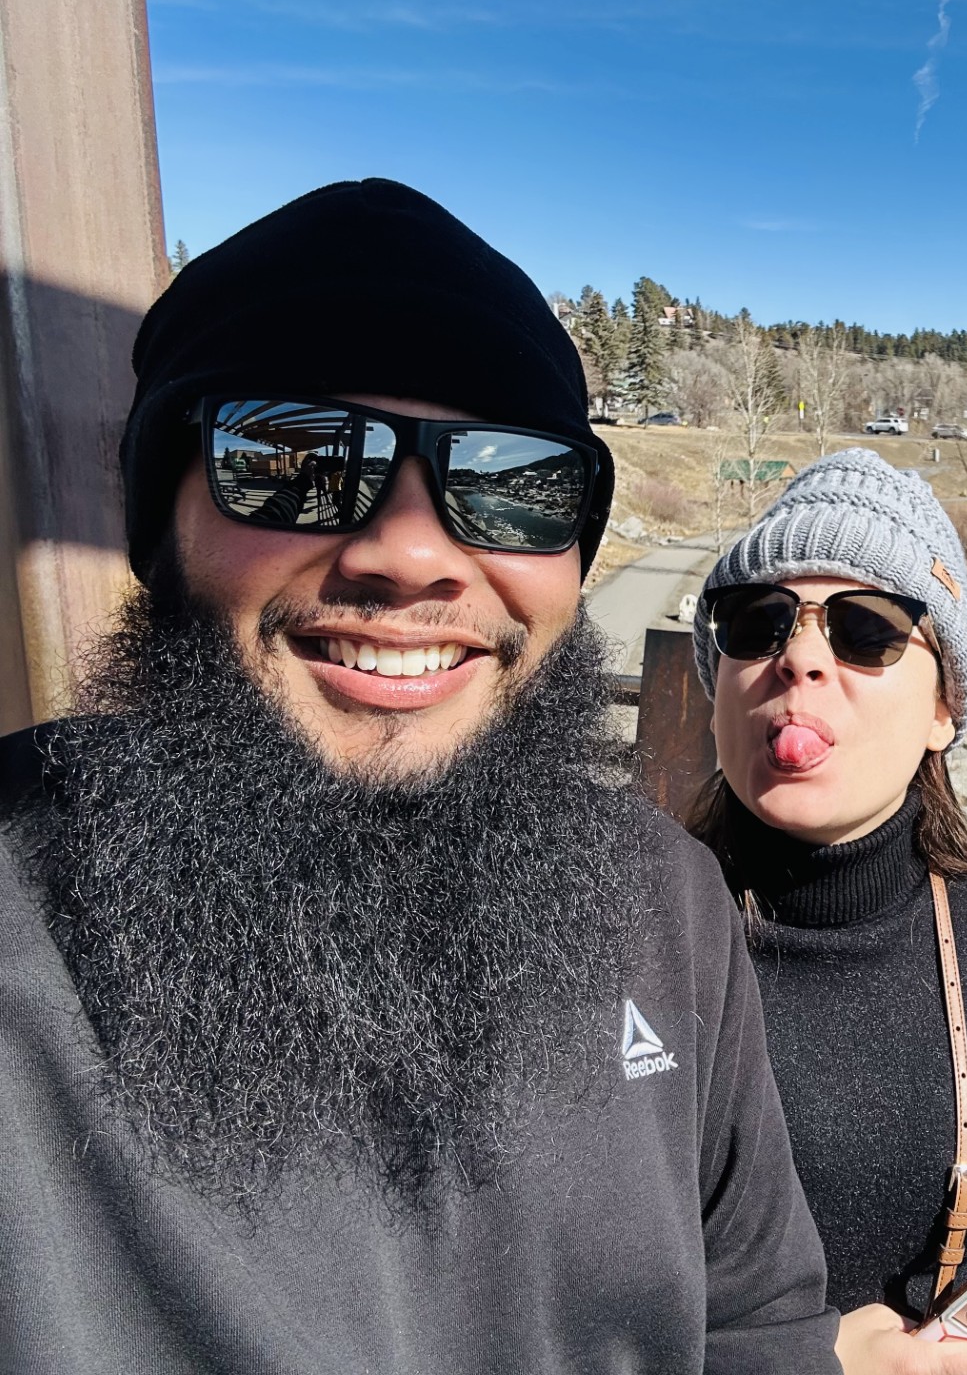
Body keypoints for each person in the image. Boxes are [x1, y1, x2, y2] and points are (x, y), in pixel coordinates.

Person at [0, 179, 837, 1374]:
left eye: (508, 482)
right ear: (162, 516)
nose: (409, 554)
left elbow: (760, 1326)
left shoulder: (668, 906)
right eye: (297, 459)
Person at [687, 450, 967, 1374]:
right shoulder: (626, 939)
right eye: (758, 621)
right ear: (718, 678)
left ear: (945, 707)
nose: (800, 659)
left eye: (865, 629)